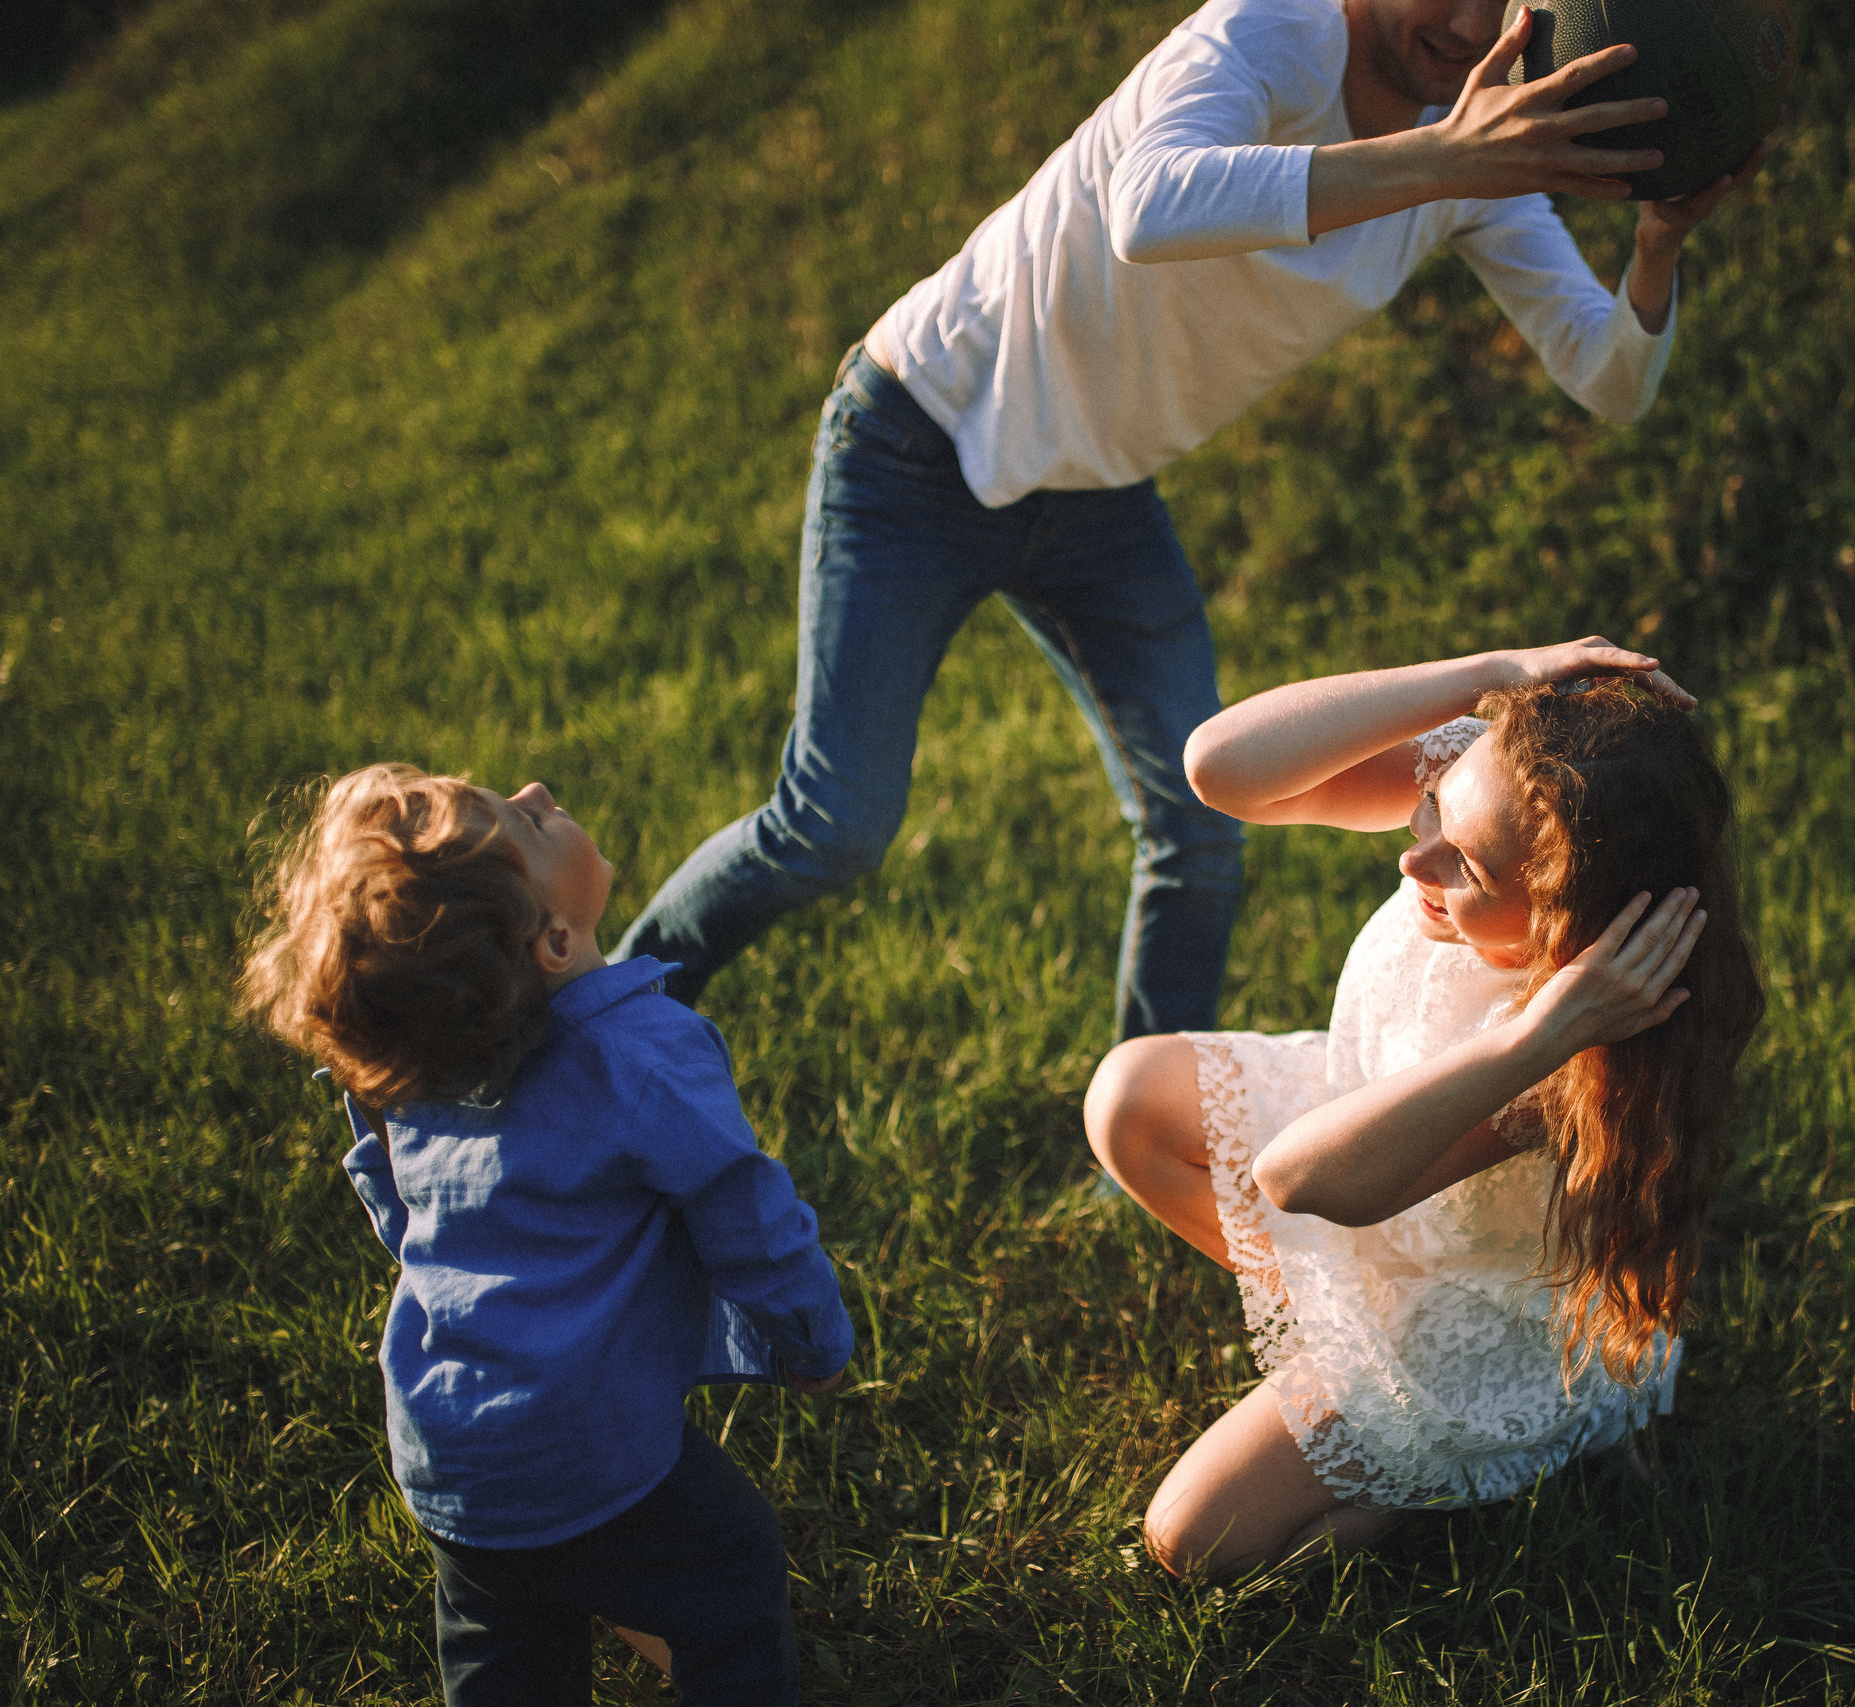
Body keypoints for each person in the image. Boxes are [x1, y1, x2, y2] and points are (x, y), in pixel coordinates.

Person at [611, 0, 1773, 1035]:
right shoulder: (1271, 30)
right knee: (834, 824)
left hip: (1100, 495)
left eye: (1503, 2)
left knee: (1196, 824)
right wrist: (1436, 160)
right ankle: (617, 1007)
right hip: (920, 439)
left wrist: (1655, 246)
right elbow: (1148, 204)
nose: (1469, 29)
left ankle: (1149, 1130)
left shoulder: (1469, 167)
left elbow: (1606, 375)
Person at [1084, 637, 1765, 1575]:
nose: (1418, 860)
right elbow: (1220, 767)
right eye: (1435, 811)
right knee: (1126, 1098)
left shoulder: (1573, 1048)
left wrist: (1536, 1038)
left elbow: (1298, 1179)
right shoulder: (1489, 804)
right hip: (1356, 1111)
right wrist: (1491, 676)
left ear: (1566, 927)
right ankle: (1328, 1338)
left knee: (1193, 1541)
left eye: (1468, 870)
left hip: (1456, 1291)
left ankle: (1506, 1457)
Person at [239, 765, 858, 1705]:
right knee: (731, 1566)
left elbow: (393, 1194)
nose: (535, 789)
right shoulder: (642, 1054)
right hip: (589, 1442)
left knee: (507, 1642)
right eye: (525, 826)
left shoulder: (417, 1061)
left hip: (448, 1449)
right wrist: (810, 1335)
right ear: (556, 942)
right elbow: (747, 1210)